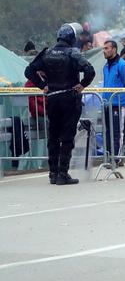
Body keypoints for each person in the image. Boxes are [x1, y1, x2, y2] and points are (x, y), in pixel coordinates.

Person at [25, 23, 95, 185]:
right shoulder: (73, 53)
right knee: (67, 137)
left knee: (54, 136)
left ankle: (53, 173)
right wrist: (82, 84)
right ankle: (63, 173)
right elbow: (90, 70)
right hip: (70, 98)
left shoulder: (47, 53)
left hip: (52, 98)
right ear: (71, 38)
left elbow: (28, 71)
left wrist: (43, 86)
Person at [99, 39, 125, 167]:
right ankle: (110, 156)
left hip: (119, 104)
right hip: (107, 104)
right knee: (108, 132)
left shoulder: (122, 65)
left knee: (118, 132)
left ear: (114, 49)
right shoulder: (105, 67)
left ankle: (116, 158)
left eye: (106, 48)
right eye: (104, 48)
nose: (104, 51)